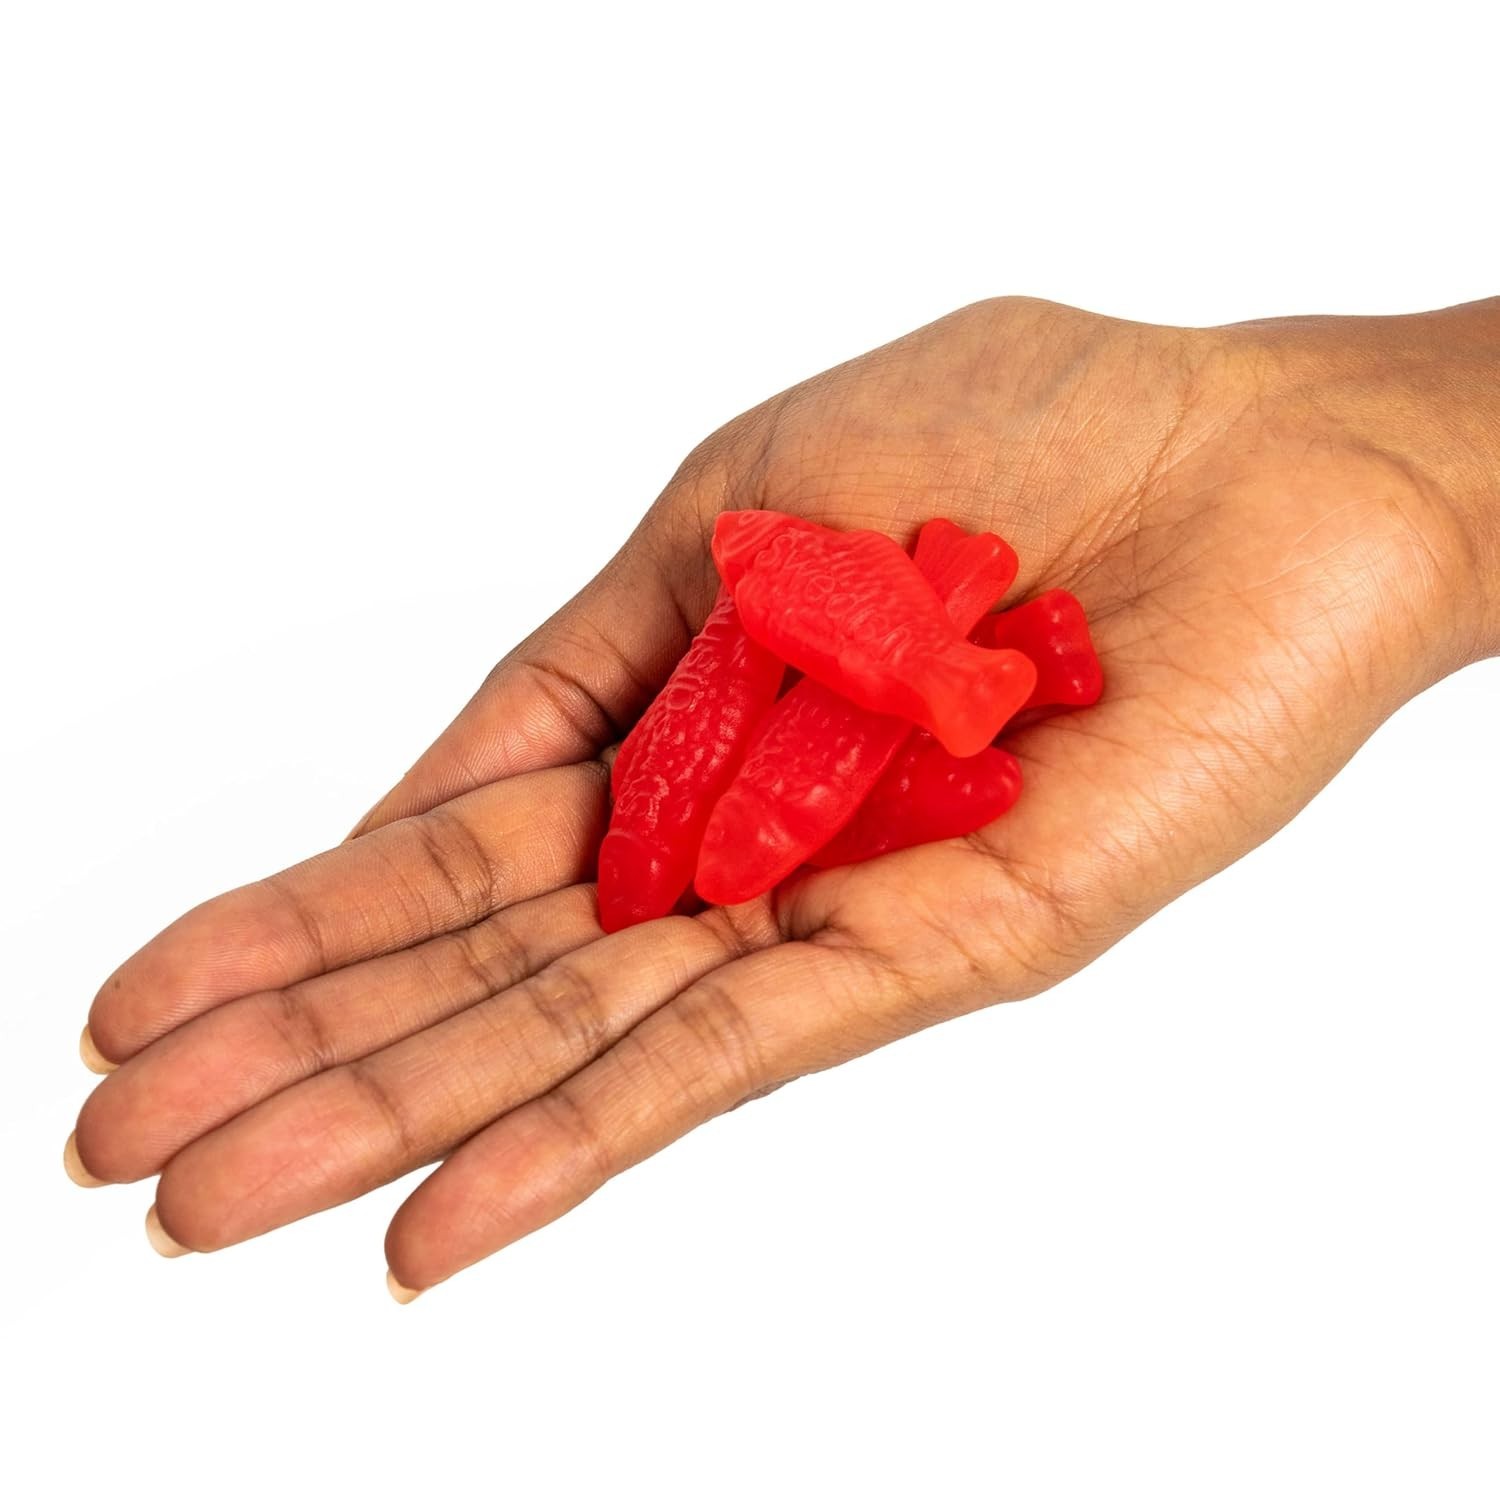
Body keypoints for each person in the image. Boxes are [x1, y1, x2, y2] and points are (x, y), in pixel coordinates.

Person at [63, 296, 1499, 1301]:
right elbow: (750, 668)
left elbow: (805, 686)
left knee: (813, 754)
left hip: (900, 650)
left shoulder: (853, 635)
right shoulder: (777, 633)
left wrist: (1397, 481)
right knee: (739, 776)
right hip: (863, 656)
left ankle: (971, 660)